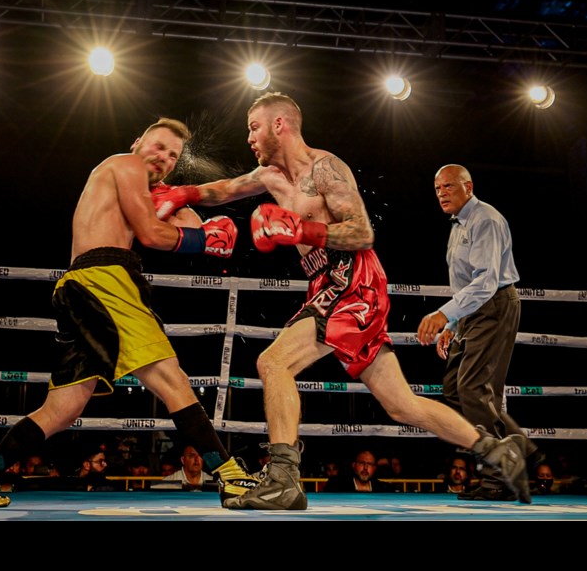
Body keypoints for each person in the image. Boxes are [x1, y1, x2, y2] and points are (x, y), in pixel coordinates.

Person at [153, 92, 531, 509]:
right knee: (401, 404)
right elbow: (221, 190)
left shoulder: (326, 168)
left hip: (352, 279)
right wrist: (177, 193)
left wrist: (303, 232)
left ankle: (283, 478)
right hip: (326, 284)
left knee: (273, 362)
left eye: (254, 127)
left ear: (281, 124)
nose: (249, 137)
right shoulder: (270, 176)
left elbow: (362, 232)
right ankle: (496, 450)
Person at [0, 117, 259, 509]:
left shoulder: (140, 189)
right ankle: (230, 475)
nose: (163, 158)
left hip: (81, 287)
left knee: (62, 409)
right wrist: (203, 239)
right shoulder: (123, 165)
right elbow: (152, 236)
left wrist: (198, 207)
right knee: (170, 377)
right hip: (105, 279)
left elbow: (189, 214)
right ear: (137, 141)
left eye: (173, 156)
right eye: (158, 146)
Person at [415, 163, 539, 501]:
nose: (441, 193)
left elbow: (485, 281)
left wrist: (443, 314)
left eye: (449, 186)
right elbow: (464, 284)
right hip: (472, 311)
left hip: (494, 305)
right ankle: (521, 449)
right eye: (437, 188)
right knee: (455, 387)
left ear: (468, 187)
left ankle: (496, 478)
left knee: (474, 386)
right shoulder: (458, 225)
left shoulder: (485, 219)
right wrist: (452, 325)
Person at [323, 449, 396, 493]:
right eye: (362, 463)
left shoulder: (384, 489)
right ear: (354, 465)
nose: (365, 467)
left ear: (374, 468)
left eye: (369, 464)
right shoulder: (336, 486)